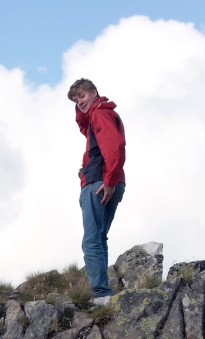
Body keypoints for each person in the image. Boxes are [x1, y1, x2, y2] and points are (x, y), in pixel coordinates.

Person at [68, 78, 126, 305]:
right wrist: (112, 180)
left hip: (99, 182)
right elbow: (85, 128)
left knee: (91, 240)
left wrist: (109, 180)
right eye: (75, 100)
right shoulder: (98, 116)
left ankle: (100, 294)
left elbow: (115, 147)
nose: (79, 102)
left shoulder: (100, 114)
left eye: (82, 96)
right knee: (100, 238)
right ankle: (103, 292)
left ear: (94, 93)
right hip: (110, 181)